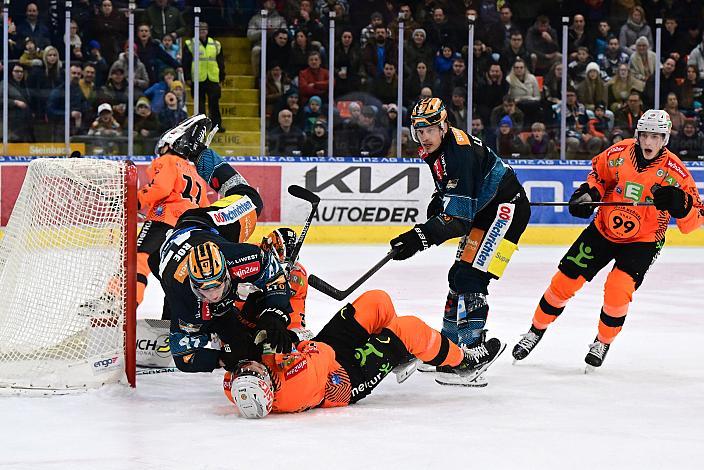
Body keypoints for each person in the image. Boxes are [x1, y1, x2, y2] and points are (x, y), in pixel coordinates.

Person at [512, 110, 704, 369]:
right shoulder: (618, 153)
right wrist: (588, 194)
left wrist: (681, 204)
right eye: (645, 135)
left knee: (617, 290)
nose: (648, 142)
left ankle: (602, 341)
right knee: (564, 282)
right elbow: (599, 176)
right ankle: (535, 331)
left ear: (665, 139)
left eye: (655, 137)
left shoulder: (677, 172)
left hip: (643, 241)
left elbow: (694, 220)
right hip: (603, 230)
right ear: (637, 134)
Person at [388, 97, 531, 382]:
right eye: (419, 131)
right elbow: (452, 191)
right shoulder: (437, 148)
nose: (424, 137)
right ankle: (449, 349)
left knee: (470, 276)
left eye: (429, 130)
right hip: (485, 209)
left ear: (443, 126)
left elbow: (459, 220)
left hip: (505, 210)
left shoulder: (460, 153)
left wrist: (420, 237)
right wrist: (438, 201)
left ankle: (471, 353)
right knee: (458, 277)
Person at [223, 289, 501, 418]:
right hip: (343, 378)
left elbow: (235, 363)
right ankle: (462, 364)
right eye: (256, 372)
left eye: (247, 370)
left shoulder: (238, 384)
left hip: (324, 354)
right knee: (410, 329)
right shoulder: (296, 386)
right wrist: (292, 339)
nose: (250, 366)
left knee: (376, 301)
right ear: (270, 387)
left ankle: (399, 353)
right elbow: (314, 349)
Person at [136, 115, 211, 309]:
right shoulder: (195, 173)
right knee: (175, 276)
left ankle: (120, 299)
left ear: (169, 145)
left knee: (139, 258)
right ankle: (174, 317)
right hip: (188, 230)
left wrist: (136, 200)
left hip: (164, 220)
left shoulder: (167, 161)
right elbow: (205, 208)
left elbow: (160, 188)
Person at [184, 22, 226, 132]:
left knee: (214, 103)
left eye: (204, 29)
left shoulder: (215, 44)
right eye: (200, 29)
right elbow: (186, 62)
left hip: (212, 77)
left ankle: (216, 125)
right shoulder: (190, 44)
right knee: (200, 104)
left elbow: (220, 61)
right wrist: (187, 77)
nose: (202, 31)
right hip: (197, 78)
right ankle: (200, 127)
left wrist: (221, 77)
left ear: (207, 30)